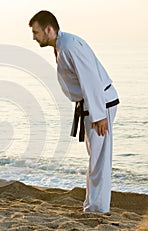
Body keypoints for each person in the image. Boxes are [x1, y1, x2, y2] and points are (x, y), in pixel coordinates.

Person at [29, 11, 119, 213]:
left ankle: (97, 208)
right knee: (95, 158)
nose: (34, 37)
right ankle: (93, 205)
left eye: (36, 32)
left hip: (100, 104)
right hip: (93, 105)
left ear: (48, 29)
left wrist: (99, 115)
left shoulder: (69, 46)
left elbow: (91, 79)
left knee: (99, 159)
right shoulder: (62, 46)